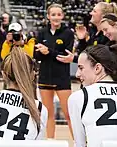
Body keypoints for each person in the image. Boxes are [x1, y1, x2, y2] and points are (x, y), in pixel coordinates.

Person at [68, 44, 117, 147]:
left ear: (97, 68)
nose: (77, 74)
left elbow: (80, 144)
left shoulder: (79, 97)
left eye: (81, 68)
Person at [34, 3, 74, 139]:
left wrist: (47, 51)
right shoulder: (41, 33)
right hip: (45, 77)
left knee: (69, 114)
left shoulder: (68, 33)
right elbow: (37, 55)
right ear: (48, 16)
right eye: (53, 14)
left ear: (62, 16)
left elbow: (64, 56)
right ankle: (50, 141)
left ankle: (79, 142)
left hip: (62, 78)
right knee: (48, 114)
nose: (56, 17)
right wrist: (41, 52)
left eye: (58, 14)